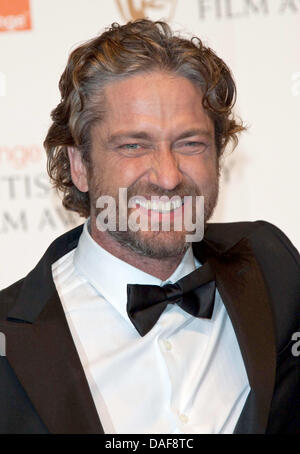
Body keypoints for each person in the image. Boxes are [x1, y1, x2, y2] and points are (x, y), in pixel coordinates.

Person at [0, 19, 299, 435]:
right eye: (133, 145)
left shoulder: (271, 265)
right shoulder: (10, 344)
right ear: (79, 166)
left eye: (190, 143)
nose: (167, 176)